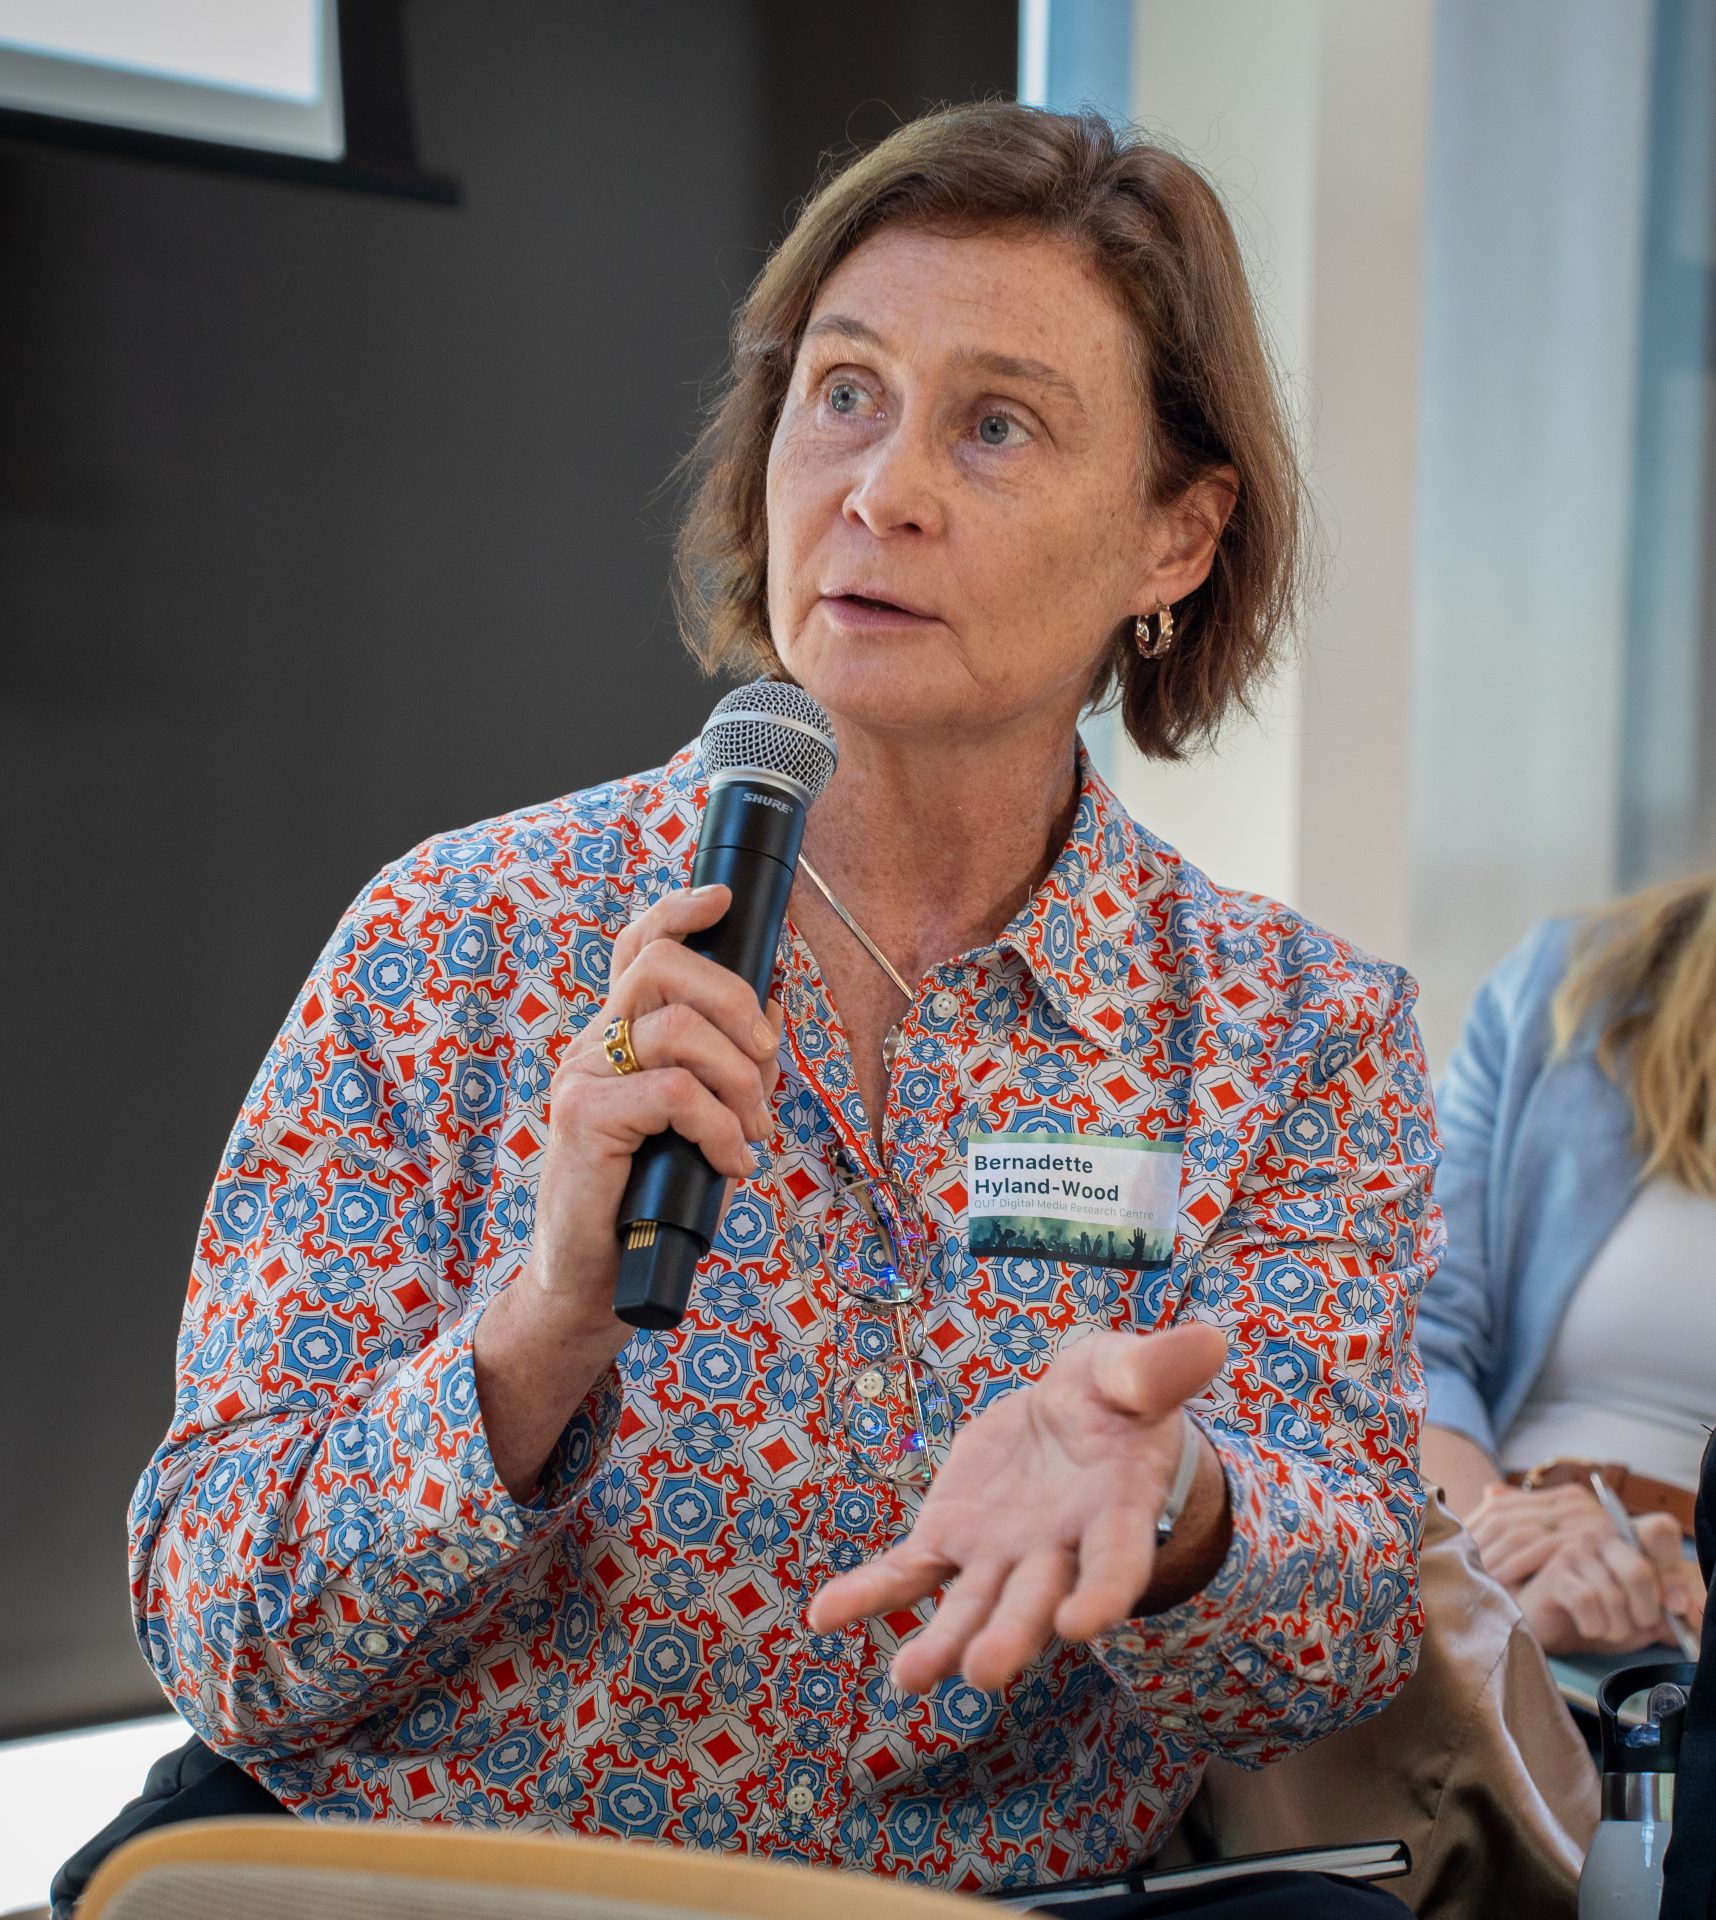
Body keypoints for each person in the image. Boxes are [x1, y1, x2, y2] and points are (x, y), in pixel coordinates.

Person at [127, 104, 1437, 1909]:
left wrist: (1184, 1505)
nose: (880, 487)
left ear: (1174, 539)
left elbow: (1343, 1643)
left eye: (994, 425)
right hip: (460, 1890)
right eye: (842, 393)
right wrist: (543, 1332)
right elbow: (220, 1623)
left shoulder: (1296, 1036)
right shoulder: (459, 940)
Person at [1420, 874, 1715, 1657]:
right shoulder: (1577, 986)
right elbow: (1409, 1332)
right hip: (1482, 1545)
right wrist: (1500, 1569)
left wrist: (1675, 1594)